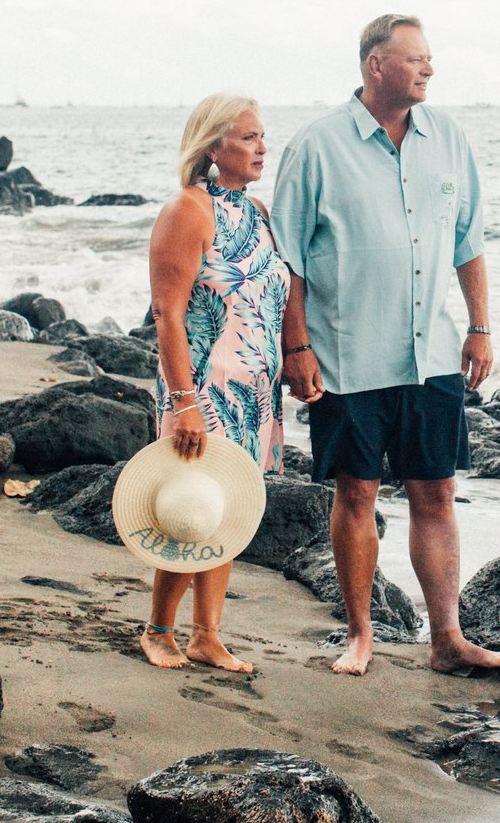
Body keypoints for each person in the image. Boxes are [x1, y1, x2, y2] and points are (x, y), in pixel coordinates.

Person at [271, 13, 500, 677]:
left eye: (431, 59)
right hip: (346, 355)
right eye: (416, 59)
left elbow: (469, 240)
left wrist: (480, 325)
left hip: (430, 354)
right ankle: (359, 636)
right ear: (375, 64)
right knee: (357, 493)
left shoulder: (449, 140)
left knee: (436, 492)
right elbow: (287, 257)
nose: (429, 68)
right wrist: (296, 348)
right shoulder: (317, 146)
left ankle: (447, 639)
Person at [141, 93, 286, 672]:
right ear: (213, 147)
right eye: (249, 137)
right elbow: (167, 314)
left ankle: (206, 634)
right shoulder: (188, 210)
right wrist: (184, 403)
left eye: (261, 136)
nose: (262, 147)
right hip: (202, 390)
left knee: (230, 509)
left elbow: (275, 296)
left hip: (253, 392)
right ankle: (158, 628)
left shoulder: (259, 214)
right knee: (189, 505)